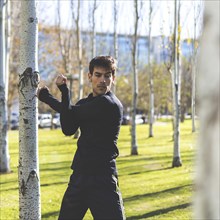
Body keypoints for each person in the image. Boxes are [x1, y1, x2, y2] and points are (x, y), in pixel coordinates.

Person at [37, 56, 126, 220]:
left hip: (103, 180)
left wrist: (50, 95)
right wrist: (59, 93)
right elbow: (68, 127)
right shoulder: (86, 102)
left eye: (107, 76)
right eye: (98, 75)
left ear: (113, 78)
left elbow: (71, 112)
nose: (102, 80)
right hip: (79, 177)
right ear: (89, 76)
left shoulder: (110, 104)